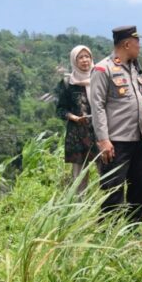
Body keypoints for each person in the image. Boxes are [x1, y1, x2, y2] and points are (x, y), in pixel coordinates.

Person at [90, 26, 142, 223]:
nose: (139, 47)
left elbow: (141, 103)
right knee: (113, 189)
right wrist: (103, 139)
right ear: (127, 44)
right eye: (137, 43)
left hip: (137, 140)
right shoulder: (103, 69)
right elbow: (97, 106)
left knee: (139, 185)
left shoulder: (134, 69)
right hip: (116, 142)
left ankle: (132, 230)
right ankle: (109, 232)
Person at [55, 45, 98, 193]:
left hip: (99, 133)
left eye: (87, 56)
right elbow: (60, 109)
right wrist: (74, 117)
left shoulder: (99, 78)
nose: (85, 60)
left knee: (106, 173)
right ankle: (81, 209)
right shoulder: (68, 84)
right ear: (74, 61)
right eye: (80, 57)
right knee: (80, 178)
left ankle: (109, 208)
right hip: (78, 136)